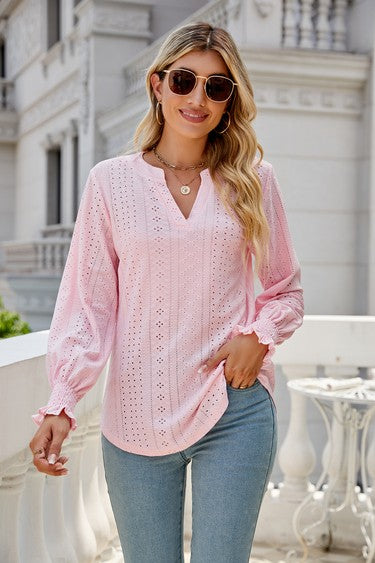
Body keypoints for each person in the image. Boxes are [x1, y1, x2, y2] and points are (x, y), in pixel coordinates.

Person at [29, 21, 304, 563]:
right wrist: (62, 399)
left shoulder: (253, 179)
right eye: (184, 80)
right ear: (158, 85)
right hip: (135, 417)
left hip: (234, 409)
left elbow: (286, 291)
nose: (198, 97)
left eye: (216, 86)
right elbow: (88, 305)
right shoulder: (110, 182)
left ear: (230, 101)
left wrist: (259, 335)